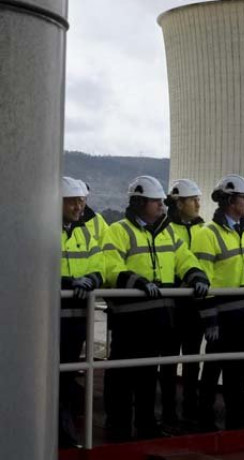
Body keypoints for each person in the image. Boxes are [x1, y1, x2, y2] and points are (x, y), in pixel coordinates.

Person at [101, 175, 210, 441]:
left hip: (159, 319)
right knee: (122, 378)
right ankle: (118, 429)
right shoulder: (119, 230)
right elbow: (109, 265)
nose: (162, 206)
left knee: (148, 376)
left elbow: (184, 257)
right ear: (139, 202)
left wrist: (196, 275)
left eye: (162, 202)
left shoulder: (168, 231)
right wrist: (136, 281)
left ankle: (147, 426)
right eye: (156, 202)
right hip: (129, 320)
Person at [192, 174, 244, 430]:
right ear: (231, 201)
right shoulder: (207, 234)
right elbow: (203, 278)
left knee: (239, 370)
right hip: (221, 317)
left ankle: (237, 420)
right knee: (213, 369)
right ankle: (204, 419)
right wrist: (209, 318)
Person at [59, 177, 104, 448]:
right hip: (49, 321)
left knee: (66, 375)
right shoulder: (42, 230)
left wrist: (90, 281)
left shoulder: (84, 233)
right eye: (73, 201)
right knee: (51, 376)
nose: (79, 207)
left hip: (77, 321)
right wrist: (69, 283)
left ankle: (63, 428)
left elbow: (99, 267)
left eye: (81, 201)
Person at [159, 179, 206, 426]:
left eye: (198, 198)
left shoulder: (204, 230)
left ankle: (190, 407)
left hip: (195, 306)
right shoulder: (165, 230)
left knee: (191, 359)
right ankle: (168, 411)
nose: (198, 203)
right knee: (168, 361)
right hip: (172, 305)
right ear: (179, 203)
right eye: (193, 199)